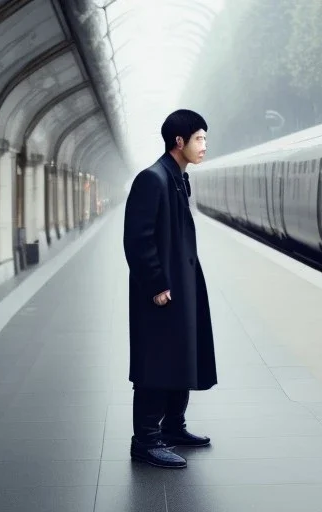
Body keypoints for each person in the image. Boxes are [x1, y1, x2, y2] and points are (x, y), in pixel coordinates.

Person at [123, 109, 217, 469]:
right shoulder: (153, 179)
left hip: (181, 286)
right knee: (156, 363)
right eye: (199, 138)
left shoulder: (177, 177)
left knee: (181, 356)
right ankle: (146, 440)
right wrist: (157, 284)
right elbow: (138, 238)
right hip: (160, 293)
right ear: (179, 141)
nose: (204, 145)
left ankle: (174, 428)